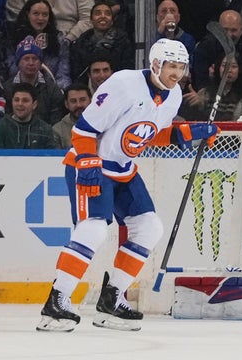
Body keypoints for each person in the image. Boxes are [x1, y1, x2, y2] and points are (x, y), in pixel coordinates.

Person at [35, 38, 219, 332]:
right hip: (90, 165)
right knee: (93, 228)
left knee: (149, 228)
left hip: (123, 169)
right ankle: (56, 302)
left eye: (182, 67)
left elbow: (148, 135)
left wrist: (184, 133)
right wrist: (87, 162)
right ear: (156, 64)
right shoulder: (124, 84)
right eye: (172, 66)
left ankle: (112, 299)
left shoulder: (172, 96)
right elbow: (84, 129)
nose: (177, 73)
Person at [191, 9, 242, 91]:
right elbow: (200, 79)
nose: (229, 35)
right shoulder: (206, 46)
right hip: (210, 93)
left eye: (234, 30)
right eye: (225, 30)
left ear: (241, 30)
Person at [3, 36, 66, 125]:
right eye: (26, 58)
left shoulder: (52, 89)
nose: (31, 63)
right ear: (18, 62)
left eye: (35, 59)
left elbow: (56, 121)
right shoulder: (7, 88)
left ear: (41, 63)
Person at [7, 0, 70, 88]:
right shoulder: (14, 38)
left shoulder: (59, 40)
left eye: (45, 15)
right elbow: (11, 68)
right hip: (20, 88)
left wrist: (60, 91)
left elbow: (63, 72)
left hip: (51, 90)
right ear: (28, 14)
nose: (40, 18)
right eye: (36, 13)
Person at [69, 0, 134, 84]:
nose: (103, 16)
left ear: (112, 20)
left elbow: (127, 71)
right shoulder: (80, 43)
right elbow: (77, 74)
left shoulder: (123, 41)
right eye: (98, 13)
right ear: (91, 19)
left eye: (107, 14)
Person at [181, 52, 242, 121]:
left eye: (233, 66)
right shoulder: (205, 93)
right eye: (224, 65)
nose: (228, 70)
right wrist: (199, 106)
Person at [0, 82, 57, 149]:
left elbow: (51, 157)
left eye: (25, 100)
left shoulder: (45, 129)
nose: (20, 104)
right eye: (16, 100)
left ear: (34, 104)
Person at [52, 83, 91, 149]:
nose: (78, 105)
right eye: (73, 101)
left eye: (82, 100)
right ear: (66, 104)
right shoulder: (58, 130)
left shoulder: (103, 125)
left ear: (91, 101)